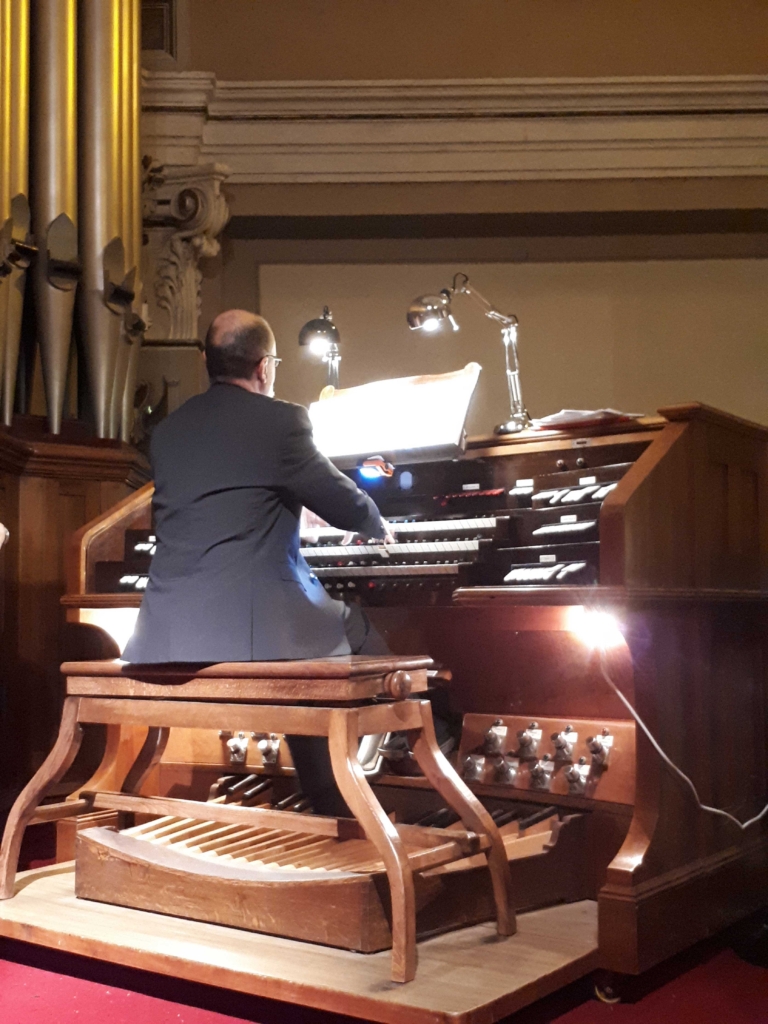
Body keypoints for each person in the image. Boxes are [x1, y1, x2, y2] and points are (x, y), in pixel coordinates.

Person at [123, 309, 393, 812]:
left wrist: (287, 507)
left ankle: (328, 792)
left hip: (165, 631)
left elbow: (227, 500)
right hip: (247, 627)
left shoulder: (169, 431)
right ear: (265, 367)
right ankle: (357, 783)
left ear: (207, 361)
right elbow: (344, 505)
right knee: (354, 636)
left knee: (305, 642)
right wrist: (377, 523)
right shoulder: (281, 421)